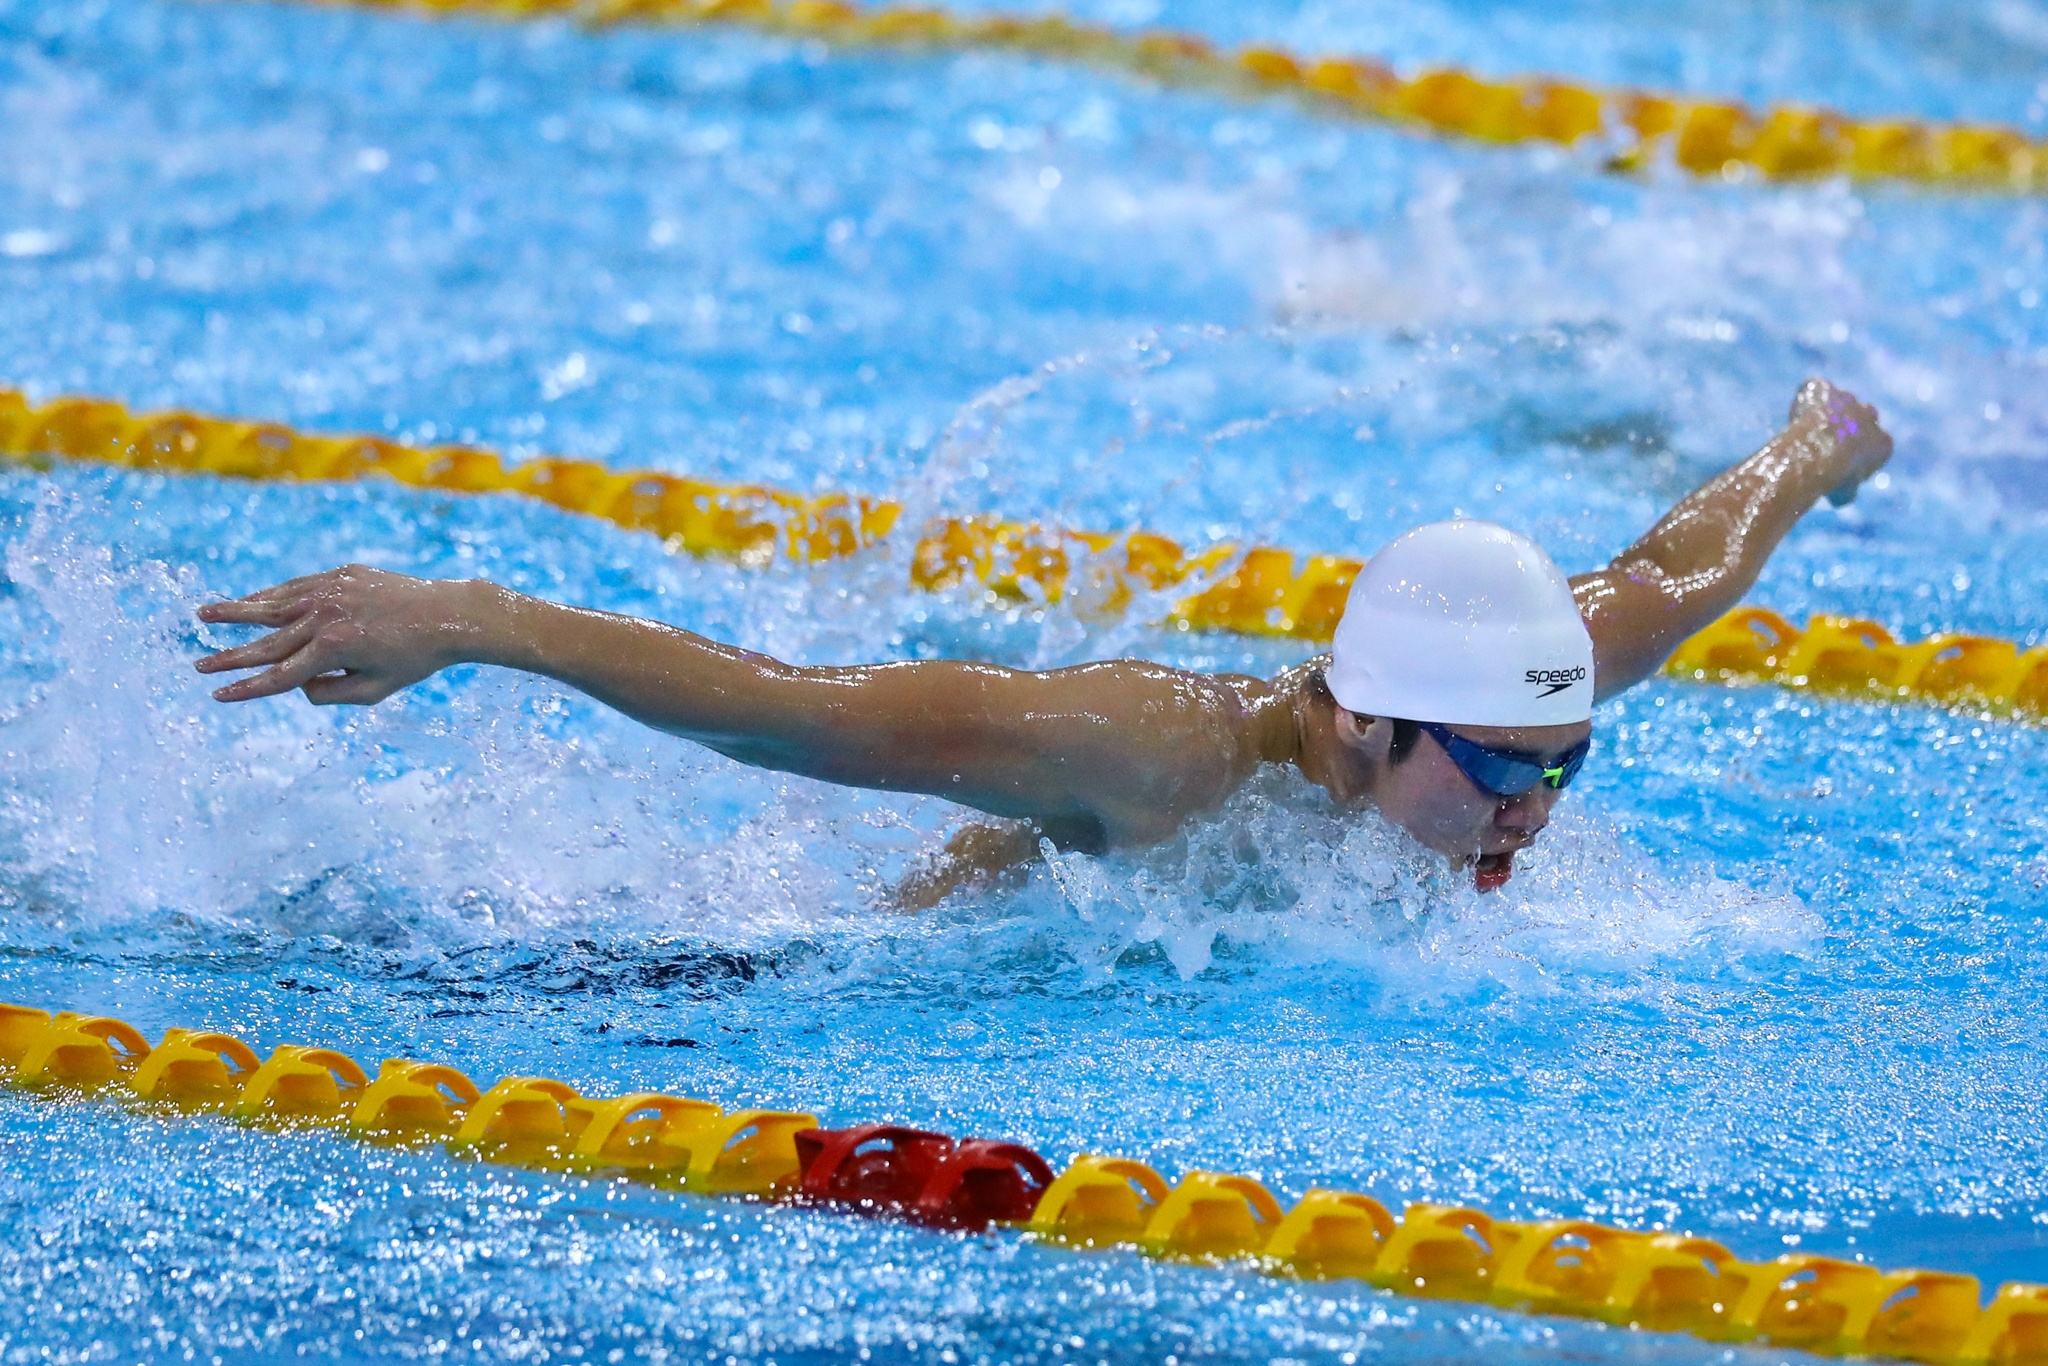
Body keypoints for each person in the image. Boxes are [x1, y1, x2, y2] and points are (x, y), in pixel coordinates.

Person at [193, 379, 1893, 901]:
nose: (1536, 808)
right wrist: (472, 618)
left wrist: (1816, 442)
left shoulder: (1505, 675)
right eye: (1505, 770)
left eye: (1561, 761)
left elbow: (1686, 563)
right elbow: (799, 716)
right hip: (872, 973)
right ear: (1362, 723)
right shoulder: (1146, 752)